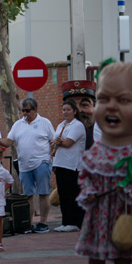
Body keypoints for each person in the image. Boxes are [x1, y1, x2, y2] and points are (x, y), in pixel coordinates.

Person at [71, 62, 132, 264]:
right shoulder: (98, 150)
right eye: (104, 99)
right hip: (99, 213)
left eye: (124, 100)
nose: (112, 106)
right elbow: (86, 177)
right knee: (96, 253)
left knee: (123, 253)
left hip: (126, 213)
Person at [0, 98, 55, 233]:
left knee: (43, 193)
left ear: (35, 109)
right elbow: (8, 142)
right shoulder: (18, 124)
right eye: (23, 110)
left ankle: (43, 223)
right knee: (28, 195)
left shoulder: (45, 123)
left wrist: (52, 157)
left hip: (41, 162)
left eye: (28, 110)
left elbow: (52, 141)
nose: (25, 113)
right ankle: (28, 223)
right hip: (24, 165)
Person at [52, 99, 86, 232]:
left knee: (71, 193)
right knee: (63, 193)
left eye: (68, 110)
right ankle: (65, 221)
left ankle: (74, 222)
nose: (65, 112)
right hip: (60, 163)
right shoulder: (61, 125)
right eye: (63, 109)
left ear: (74, 111)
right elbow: (55, 141)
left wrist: (59, 141)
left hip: (72, 165)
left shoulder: (77, 125)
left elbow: (67, 143)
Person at [61, 80, 97, 149]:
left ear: (94, 106)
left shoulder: (103, 134)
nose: (79, 110)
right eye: (72, 106)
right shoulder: (61, 131)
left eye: (84, 105)